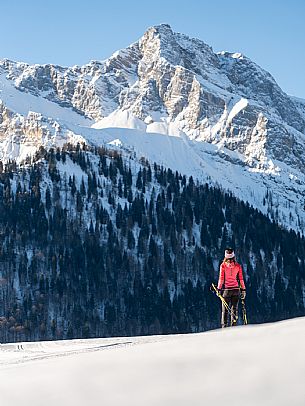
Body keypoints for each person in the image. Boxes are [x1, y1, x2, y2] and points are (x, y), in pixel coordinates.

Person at [217, 248, 246, 328]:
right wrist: (243, 290)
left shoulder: (223, 266)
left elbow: (221, 279)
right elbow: (241, 279)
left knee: (225, 310)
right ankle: (234, 326)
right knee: (234, 309)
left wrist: (219, 289)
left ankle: (224, 326)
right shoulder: (238, 266)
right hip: (236, 290)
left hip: (227, 290)